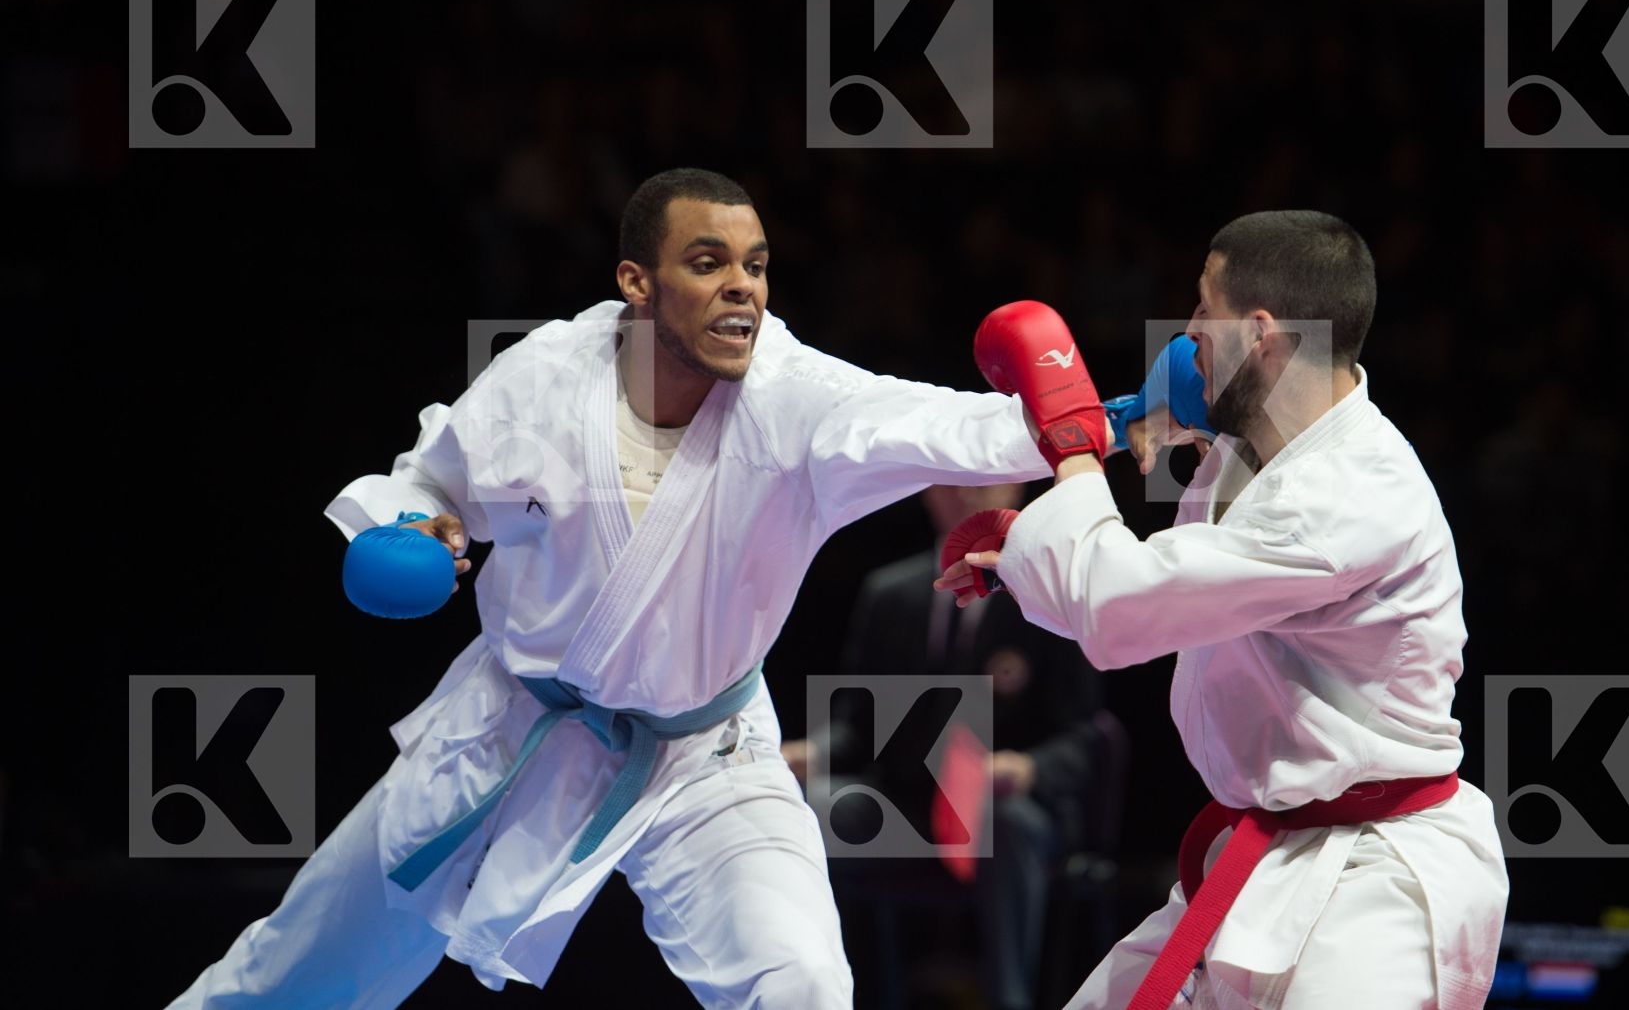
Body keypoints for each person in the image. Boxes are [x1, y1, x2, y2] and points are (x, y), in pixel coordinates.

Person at [167, 168, 1056, 1009]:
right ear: (638, 280)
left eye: (755, 267)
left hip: (704, 753)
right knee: (295, 965)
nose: (742, 287)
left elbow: (947, 426)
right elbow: (434, 483)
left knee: (803, 982)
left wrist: (1090, 415)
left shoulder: (796, 397)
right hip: (510, 728)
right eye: (707, 264)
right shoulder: (546, 377)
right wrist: (414, 526)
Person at [936, 210, 1509, 1009]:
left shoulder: (1347, 496)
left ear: (1262, 332)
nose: (1189, 331)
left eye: (1205, 310)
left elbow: (1120, 611)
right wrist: (1026, 556)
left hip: (1376, 884)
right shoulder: (1254, 443)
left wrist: (1072, 442)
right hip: (1263, 857)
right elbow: (1160, 597)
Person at [784, 481, 1107, 1010]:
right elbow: (855, 728)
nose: (964, 493)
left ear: (1019, 487)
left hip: (1003, 811)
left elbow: (1086, 736)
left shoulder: (1051, 594)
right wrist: (808, 756)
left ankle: (1010, 1000)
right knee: (803, 812)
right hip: (903, 807)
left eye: (984, 479)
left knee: (1008, 823)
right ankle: (814, 994)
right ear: (924, 490)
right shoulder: (889, 592)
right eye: (948, 479)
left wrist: (1026, 768)